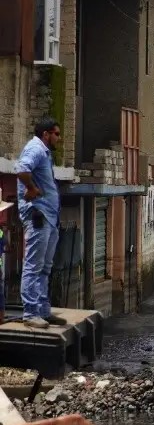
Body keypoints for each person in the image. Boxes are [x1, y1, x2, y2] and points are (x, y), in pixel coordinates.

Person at [15, 117, 66, 328]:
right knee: (34, 265)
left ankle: (43, 311)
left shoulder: (44, 153)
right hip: (39, 214)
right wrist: (31, 189)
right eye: (56, 134)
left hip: (49, 215)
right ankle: (30, 313)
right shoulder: (35, 149)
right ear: (46, 134)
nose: (59, 138)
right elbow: (21, 170)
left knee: (45, 266)